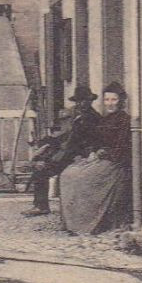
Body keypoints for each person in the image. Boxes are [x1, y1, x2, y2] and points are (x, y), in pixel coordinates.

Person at [58, 82, 134, 235]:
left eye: (114, 100)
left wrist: (103, 153)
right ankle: (73, 223)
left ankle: (86, 224)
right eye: (107, 100)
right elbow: (96, 141)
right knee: (68, 174)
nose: (110, 103)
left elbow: (121, 147)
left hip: (116, 163)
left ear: (121, 101)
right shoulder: (105, 119)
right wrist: (93, 152)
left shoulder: (125, 120)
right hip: (102, 158)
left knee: (82, 178)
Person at [23, 86, 99, 217]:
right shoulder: (74, 115)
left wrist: (60, 156)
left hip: (80, 154)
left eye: (85, 101)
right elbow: (64, 136)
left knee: (42, 169)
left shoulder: (92, 118)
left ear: (90, 101)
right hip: (68, 152)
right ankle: (39, 205)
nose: (81, 104)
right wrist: (46, 146)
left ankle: (41, 206)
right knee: (39, 164)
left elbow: (86, 141)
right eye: (79, 101)